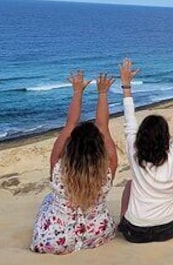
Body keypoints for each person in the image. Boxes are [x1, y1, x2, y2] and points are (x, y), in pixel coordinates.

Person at [30, 71, 118, 254]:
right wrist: (103, 93)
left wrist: (77, 91)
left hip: (54, 240)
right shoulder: (107, 170)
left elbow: (70, 124)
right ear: (99, 148)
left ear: (71, 146)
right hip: (97, 234)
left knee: (48, 200)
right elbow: (103, 127)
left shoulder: (57, 169)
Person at [117, 54, 173, 243]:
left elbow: (129, 120)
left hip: (135, 232)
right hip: (168, 230)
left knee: (130, 184)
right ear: (166, 137)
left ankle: (122, 224)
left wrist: (126, 86)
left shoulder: (135, 152)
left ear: (140, 137)